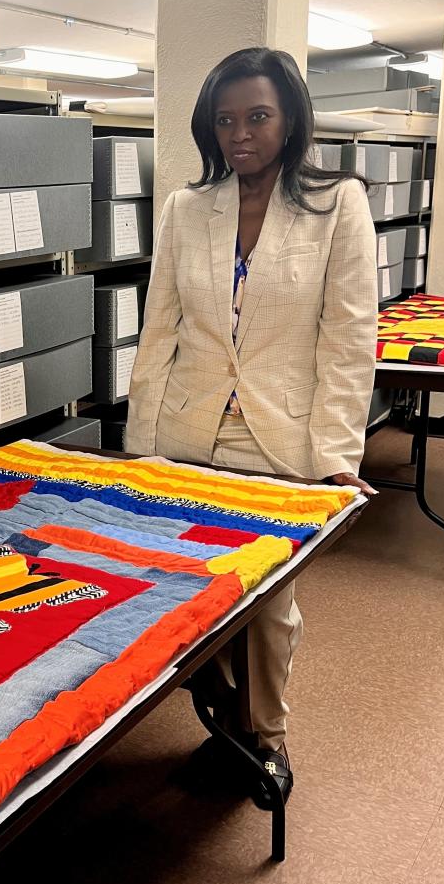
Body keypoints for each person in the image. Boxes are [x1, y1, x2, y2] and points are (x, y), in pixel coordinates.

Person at [126, 45, 379, 804]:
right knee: (189, 586)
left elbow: (348, 339)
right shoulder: (184, 208)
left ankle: (266, 738)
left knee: (270, 603)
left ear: (291, 119)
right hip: (188, 432)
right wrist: (140, 446)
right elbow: (158, 330)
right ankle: (222, 707)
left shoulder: (340, 204)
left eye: (259, 116)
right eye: (226, 119)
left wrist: (335, 455)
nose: (241, 134)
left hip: (283, 437)